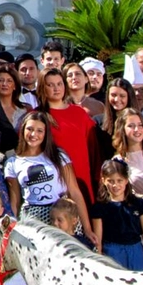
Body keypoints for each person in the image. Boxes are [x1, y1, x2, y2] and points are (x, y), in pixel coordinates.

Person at [4, 112, 92, 243]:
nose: (34, 135)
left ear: (46, 134)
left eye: (39, 131)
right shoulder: (13, 162)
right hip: (33, 218)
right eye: (30, 129)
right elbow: (15, 201)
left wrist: (88, 229)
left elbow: (75, 192)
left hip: (62, 214)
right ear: (22, 130)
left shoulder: (58, 156)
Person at [40, 68, 96, 203]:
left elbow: (93, 147)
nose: (56, 88)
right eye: (50, 85)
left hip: (83, 175)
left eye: (59, 84)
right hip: (55, 180)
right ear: (42, 88)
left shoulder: (79, 113)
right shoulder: (38, 116)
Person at [91, 159, 143, 270]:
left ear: (126, 180)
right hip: (112, 252)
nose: (115, 185)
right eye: (110, 181)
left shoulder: (139, 204)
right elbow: (98, 240)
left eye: (119, 180)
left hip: (136, 251)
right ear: (103, 180)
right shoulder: (99, 208)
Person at [111, 109, 143, 198]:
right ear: (122, 129)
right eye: (131, 126)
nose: (137, 129)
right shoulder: (118, 161)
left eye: (140, 125)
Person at [0, 67, 28, 132]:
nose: (4, 84)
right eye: (0, 80)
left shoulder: (24, 110)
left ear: (15, 86)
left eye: (9, 81)